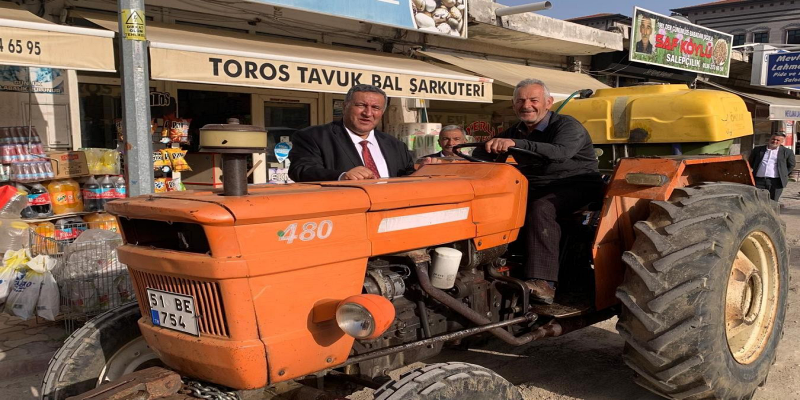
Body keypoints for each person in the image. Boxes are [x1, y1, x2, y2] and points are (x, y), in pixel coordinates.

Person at [474, 79, 604, 305]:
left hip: (577, 185)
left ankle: (544, 282)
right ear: (514, 105)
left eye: (533, 100)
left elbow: (560, 152)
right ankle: (490, 265)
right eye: (520, 101)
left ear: (548, 102)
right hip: (537, 187)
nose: (527, 105)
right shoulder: (517, 130)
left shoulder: (567, 126)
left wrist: (515, 144)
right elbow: (482, 152)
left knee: (541, 208)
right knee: (493, 204)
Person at [289, 84, 433, 182]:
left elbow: (405, 176)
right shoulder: (313, 137)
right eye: (361, 105)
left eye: (375, 108)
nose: (368, 113)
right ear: (345, 106)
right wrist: (342, 176)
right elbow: (301, 170)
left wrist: (423, 171)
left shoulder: (395, 145)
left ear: (382, 112)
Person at [748, 133, 795, 201]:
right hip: (758, 180)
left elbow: (791, 165)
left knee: (773, 201)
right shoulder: (758, 149)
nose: (774, 141)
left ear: (782, 142)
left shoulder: (787, 152)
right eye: (773, 139)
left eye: (778, 140)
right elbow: (751, 162)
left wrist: (783, 174)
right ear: (770, 139)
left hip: (776, 182)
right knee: (758, 200)